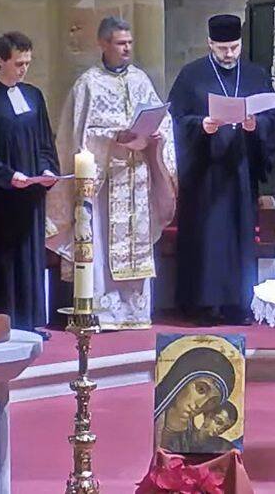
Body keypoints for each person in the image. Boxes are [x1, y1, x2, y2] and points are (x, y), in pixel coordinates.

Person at [48, 16, 177, 330]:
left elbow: (162, 119)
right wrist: (113, 137)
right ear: (103, 44)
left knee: (136, 243)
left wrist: (153, 136)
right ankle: (104, 312)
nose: (127, 49)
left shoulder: (140, 80)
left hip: (137, 179)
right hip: (104, 182)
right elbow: (77, 135)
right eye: (121, 43)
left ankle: (134, 312)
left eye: (130, 43)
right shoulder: (88, 85)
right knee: (101, 244)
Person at [168, 14, 275, 325]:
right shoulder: (191, 76)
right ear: (210, 44)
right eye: (222, 48)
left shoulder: (255, 75)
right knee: (207, 239)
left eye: (234, 47)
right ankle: (203, 305)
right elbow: (175, 121)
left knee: (239, 238)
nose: (229, 54)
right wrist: (200, 126)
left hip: (240, 171)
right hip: (204, 175)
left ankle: (237, 304)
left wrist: (256, 125)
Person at [0, 32, 61, 338]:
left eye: (27, 63)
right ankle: (2, 324)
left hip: (29, 195)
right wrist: (8, 176)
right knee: (4, 263)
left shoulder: (33, 96)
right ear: (0, 60)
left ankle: (30, 323)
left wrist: (47, 169)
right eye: (18, 63)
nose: (23, 69)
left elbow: (44, 141)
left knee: (31, 260)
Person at [154, 347, 237, 453]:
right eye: (201, 389)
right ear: (181, 380)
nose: (200, 405)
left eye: (211, 402)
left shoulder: (191, 441)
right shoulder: (148, 417)